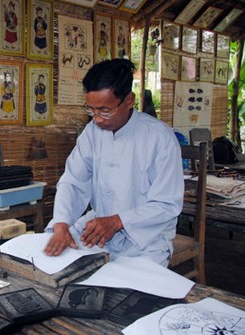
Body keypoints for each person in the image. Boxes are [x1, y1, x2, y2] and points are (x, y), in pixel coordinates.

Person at [44, 59, 184, 266]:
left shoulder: (159, 138)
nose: (98, 119)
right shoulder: (92, 132)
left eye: (105, 110)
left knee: (125, 294)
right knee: (56, 268)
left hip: (145, 241)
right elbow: (73, 182)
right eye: (91, 110)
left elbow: (167, 204)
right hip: (95, 230)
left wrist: (118, 221)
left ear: (129, 100)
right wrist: (61, 224)